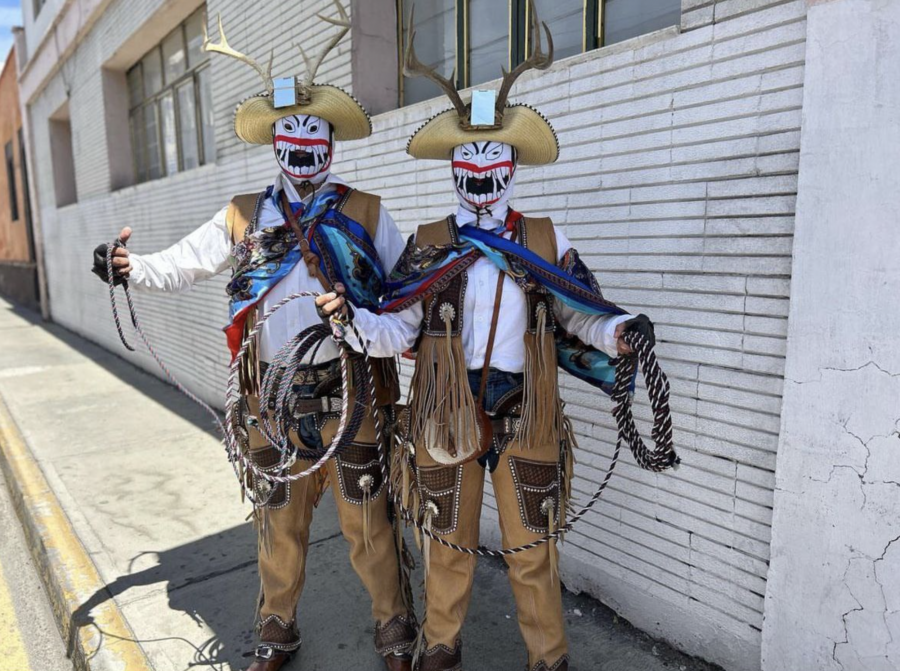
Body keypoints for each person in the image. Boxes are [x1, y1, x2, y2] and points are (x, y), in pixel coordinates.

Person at [315, 3, 658, 670]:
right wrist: (351, 322)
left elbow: (580, 311)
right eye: (466, 170)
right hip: (445, 411)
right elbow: (398, 325)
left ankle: (549, 657)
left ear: (511, 167)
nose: (478, 183)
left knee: (533, 550)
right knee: (447, 544)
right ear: (454, 170)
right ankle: (440, 648)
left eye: (491, 168)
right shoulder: (429, 243)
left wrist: (618, 331)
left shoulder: (545, 240)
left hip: (527, 411)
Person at [91, 5, 415, 670]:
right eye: (290, 135)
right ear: (275, 142)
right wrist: (131, 267)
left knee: (367, 519)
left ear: (331, 141)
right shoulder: (242, 214)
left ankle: (394, 625)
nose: (303, 147)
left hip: (350, 392)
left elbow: (410, 286)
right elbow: (183, 260)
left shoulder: (368, 212)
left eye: (315, 134)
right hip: (269, 397)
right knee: (277, 522)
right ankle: (276, 626)